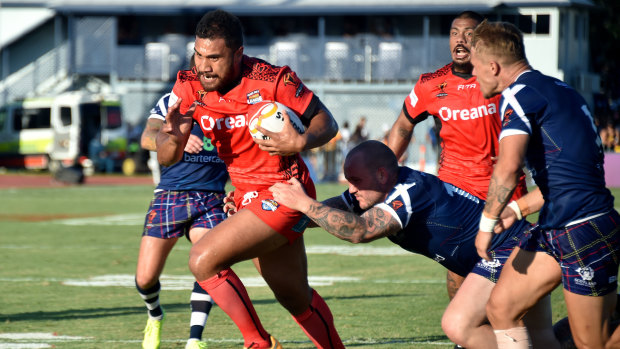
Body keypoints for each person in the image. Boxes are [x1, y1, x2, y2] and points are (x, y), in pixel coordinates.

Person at [156, 9, 344, 349]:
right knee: (295, 298)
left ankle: (259, 343)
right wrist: (171, 137)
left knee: (202, 259)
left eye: (214, 58)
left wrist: (300, 141)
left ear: (238, 54)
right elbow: (167, 157)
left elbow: (326, 123)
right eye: (198, 55)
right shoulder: (187, 85)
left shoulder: (273, 80)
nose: (204, 66)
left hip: (285, 192)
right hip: (244, 197)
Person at [268, 140, 559, 348]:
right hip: (517, 247)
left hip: (511, 248)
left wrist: (304, 204)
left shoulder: (407, 191)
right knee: (543, 340)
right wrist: (267, 215)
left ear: (382, 175)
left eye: (356, 180)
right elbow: (332, 211)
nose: (351, 189)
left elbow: (359, 230)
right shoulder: (375, 190)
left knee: (458, 325)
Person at [470, 20, 620, 348]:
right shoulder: (561, 90)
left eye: (475, 67)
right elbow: (566, 178)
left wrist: (487, 224)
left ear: (493, 66)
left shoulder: (520, 95)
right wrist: (516, 208)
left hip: (582, 228)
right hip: (558, 225)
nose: (473, 75)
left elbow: (507, 169)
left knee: (594, 343)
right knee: (501, 307)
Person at [386, 10, 529, 302]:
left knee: (513, 274)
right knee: (458, 272)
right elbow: (403, 125)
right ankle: (465, 339)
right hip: (456, 189)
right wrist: (384, 170)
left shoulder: (499, 78)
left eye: (469, 33)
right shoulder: (430, 84)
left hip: (504, 189)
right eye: (454, 33)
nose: (460, 40)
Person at [136, 90, 229, 349]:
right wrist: (173, 139)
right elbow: (147, 136)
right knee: (145, 278)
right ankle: (155, 315)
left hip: (212, 197)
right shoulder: (172, 100)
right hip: (170, 195)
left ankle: (195, 339)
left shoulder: (237, 100)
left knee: (207, 264)